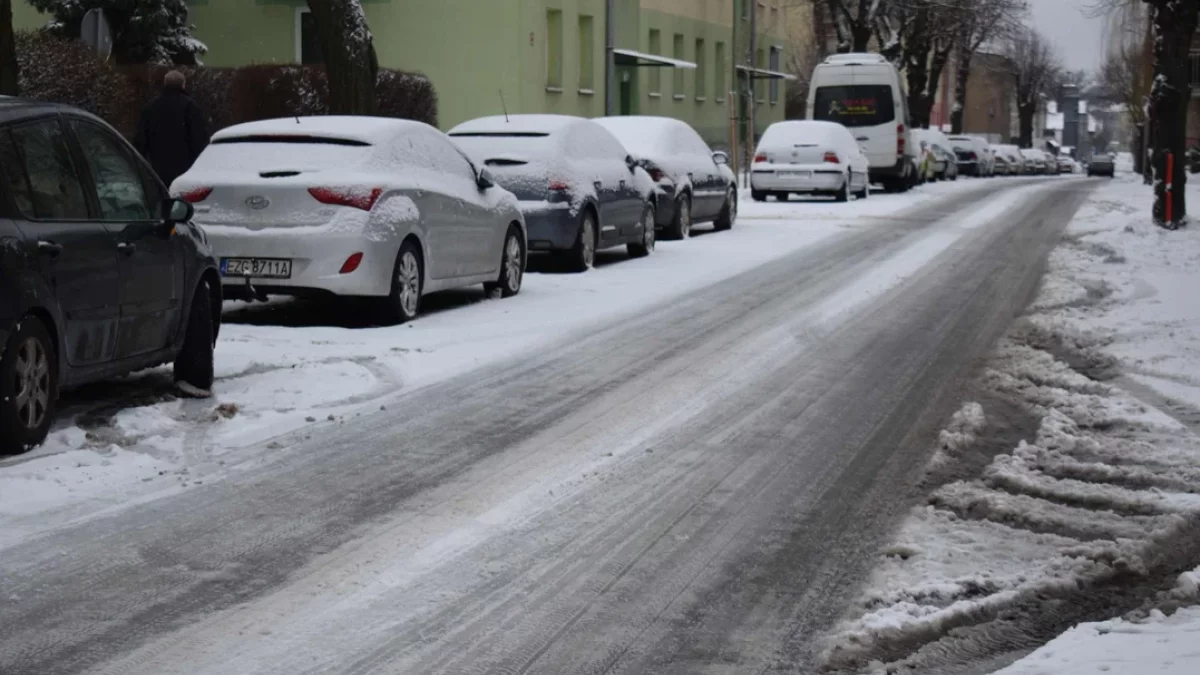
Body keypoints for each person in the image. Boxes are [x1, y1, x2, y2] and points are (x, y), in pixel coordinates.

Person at [134, 70, 210, 188]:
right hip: (185, 169)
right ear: (183, 85)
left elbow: (140, 142)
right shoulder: (190, 107)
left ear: (165, 84)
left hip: (158, 169)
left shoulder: (150, 107)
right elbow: (199, 140)